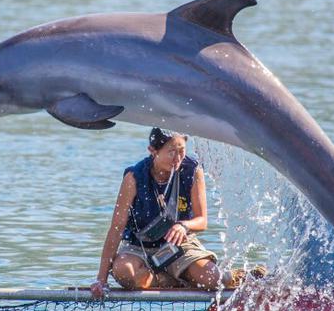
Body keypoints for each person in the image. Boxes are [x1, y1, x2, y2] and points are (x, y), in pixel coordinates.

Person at [90, 128, 262, 298]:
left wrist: (183, 226)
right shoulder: (134, 177)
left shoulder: (193, 171)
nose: (178, 158)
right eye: (171, 152)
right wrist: (101, 280)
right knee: (124, 272)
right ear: (153, 151)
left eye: (182, 151)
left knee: (213, 280)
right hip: (138, 248)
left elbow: (202, 221)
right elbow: (116, 228)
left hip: (179, 246)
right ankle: (174, 278)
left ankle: (234, 276)